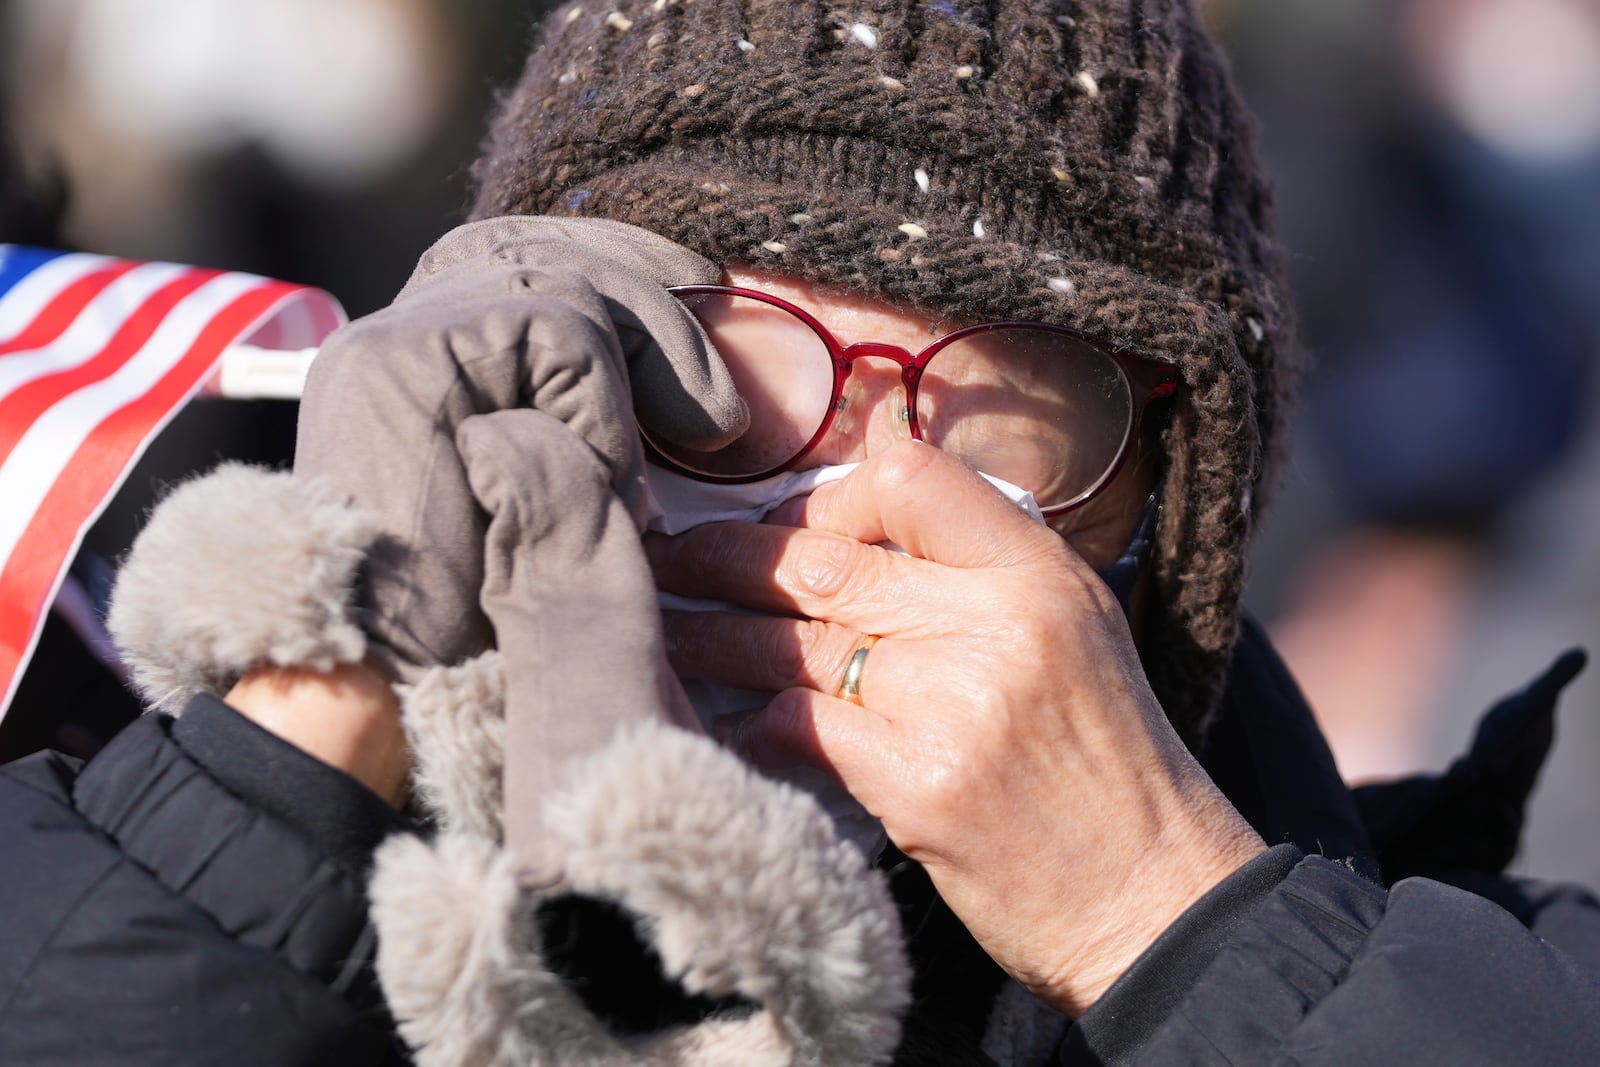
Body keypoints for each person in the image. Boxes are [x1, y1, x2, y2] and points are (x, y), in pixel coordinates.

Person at [3, 2, 1598, 1065]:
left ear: (1163, 505)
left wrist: (1174, 923)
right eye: (729, 370)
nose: (846, 494)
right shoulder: (88, 823)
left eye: (993, 403)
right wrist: (294, 747)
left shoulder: (1497, 977)